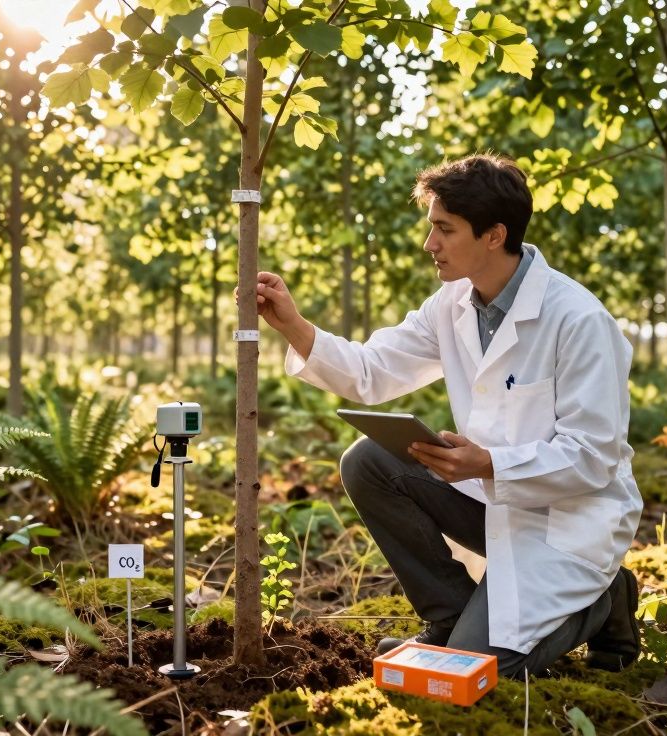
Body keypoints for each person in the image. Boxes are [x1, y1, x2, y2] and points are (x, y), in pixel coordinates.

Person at [247, 153, 642, 679]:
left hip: (568, 522)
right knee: (369, 461)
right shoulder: (452, 303)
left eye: (444, 229)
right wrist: (294, 325)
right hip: (491, 504)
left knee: (477, 670)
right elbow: (372, 371)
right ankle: (451, 613)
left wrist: (489, 464)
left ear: (494, 235)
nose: (428, 244)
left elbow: (594, 459)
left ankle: (604, 597)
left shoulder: (579, 320)